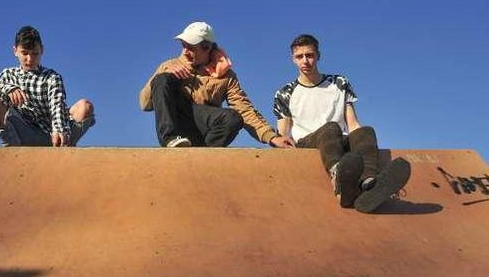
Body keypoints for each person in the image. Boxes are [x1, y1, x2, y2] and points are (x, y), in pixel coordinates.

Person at [272, 34, 410, 212]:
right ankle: (339, 180)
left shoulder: (339, 83)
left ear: (318, 56)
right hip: (309, 143)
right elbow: (283, 134)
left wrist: (364, 142)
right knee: (331, 128)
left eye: (310, 55)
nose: (305, 61)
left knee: (366, 130)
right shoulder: (285, 92)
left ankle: (369, 184)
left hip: (339, 141)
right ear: (293, 59)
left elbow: (352, 123)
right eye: (300, 57)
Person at [139, 22, 293, 148]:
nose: (185, 51)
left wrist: (271, 137)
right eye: (183, 45)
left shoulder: (226, 76)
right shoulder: (170, 65)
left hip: (204, 130)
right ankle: (170, 140)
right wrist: (163, 75)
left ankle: (205, 156)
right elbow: (145, 104)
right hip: (176, 124)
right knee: (162, 79)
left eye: (191, 48)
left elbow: (244, 109)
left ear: (207, 48)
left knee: (233, 118)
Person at [0, 26, 95, 147]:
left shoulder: (52, 77)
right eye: (24, 53)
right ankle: (13, 151)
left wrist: (59, 130)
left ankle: (63, 146)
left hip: (52, 135)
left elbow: (57, 106)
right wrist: (7, 89)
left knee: (85, 106)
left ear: (42, 50)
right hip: (23, 135)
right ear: (15, 51)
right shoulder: (7, 75)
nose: (29, 59)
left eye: (35, 53)